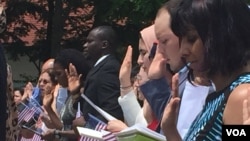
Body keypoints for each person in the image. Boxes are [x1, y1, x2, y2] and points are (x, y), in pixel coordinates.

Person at [161, 0, 250, 140]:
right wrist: (170, 130)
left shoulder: (241, 96)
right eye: (181, 39)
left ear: (222, 35)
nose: (183, 51)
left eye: (191, 39)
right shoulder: (221, 94)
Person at [41, 48, 91, 141]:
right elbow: (63, 126)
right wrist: (48, 107)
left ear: (71, 70)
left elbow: (84, 130)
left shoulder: (85, 93)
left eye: (58, 73)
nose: (56, 78)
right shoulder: (70, 94)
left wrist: (57, 134)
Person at [77, 25, 124, 122]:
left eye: (90, 41)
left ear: (104, 45)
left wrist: (87, 123)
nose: (85, 45)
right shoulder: (99, 67)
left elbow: (112, 110)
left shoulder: (109, 69)